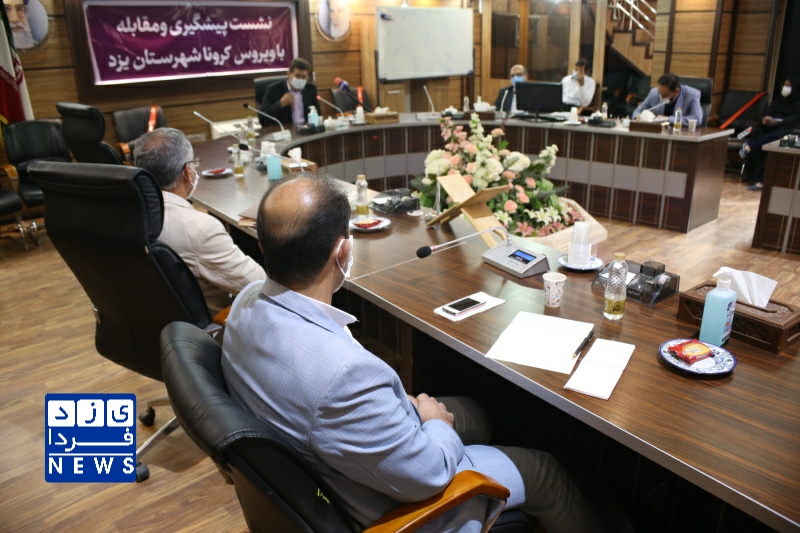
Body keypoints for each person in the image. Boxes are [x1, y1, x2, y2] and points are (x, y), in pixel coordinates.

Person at [221, 172, 629, 533]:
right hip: (391, 506)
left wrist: (416, 412)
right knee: (546, 472)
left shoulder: (245, 302)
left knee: (479, 412)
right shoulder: (342, 376)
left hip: (336, 452)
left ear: (264, 245)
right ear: (343, 252)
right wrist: (435, 423)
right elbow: (429, 474)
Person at [133, 128, 265, 315]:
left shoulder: (124, 215)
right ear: (187, 172)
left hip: (151, 320)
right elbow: (258, 285)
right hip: (213, 324)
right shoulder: (199, 228)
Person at [740, 77, 800, 191]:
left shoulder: (797, 104)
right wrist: (765, 119)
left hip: (789, 130)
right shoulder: (778, 100)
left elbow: (794, 120)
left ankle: (750, 147)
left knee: (774, 140)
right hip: (772, 128)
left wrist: (780, 121)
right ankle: (753, 176)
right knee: (759, 131)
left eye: (788, 85)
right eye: (784, 85)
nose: (785, 88)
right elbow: (765, 113)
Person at [259, 58, 321, 127]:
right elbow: (262, 119)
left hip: (307, 129)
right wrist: (280, 104)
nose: (301, 79)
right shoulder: (274, 89)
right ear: (288, 74)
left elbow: (318, 114)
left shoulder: (310, 89)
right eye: (297, 76)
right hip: (285, 130)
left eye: (304, 77)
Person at [632, 73, 702, 126]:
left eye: (665, 95)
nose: (661, 97)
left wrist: (668, 119)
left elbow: (697, 120)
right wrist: (637, 118)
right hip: (658, 132)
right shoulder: (654, 93)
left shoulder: (692, 95)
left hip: (681, 133)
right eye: (660, 94)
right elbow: (638, 111)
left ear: (676, 91)